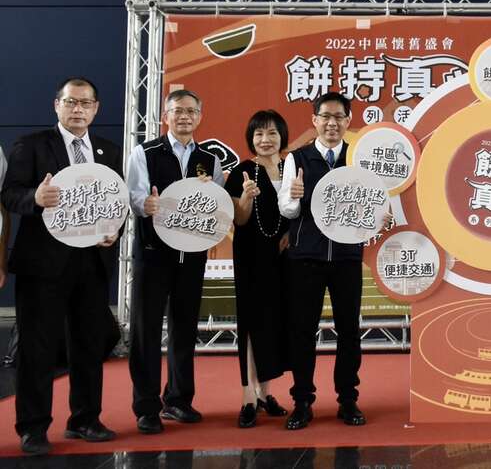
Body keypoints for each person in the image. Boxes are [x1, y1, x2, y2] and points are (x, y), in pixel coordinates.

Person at [1, 78, 121, 455]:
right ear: (57, 105)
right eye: (71, 102)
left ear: (96, 108)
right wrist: (35, 198)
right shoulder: (32, 145)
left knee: (88, 345)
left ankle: (85, 419)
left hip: (92, 262)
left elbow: (114, 204)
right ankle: (33, 427)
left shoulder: (108, 150)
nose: (78, 109)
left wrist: (113, 231)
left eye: (85, 103)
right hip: (43, 265)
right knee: (36, 348)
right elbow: (9, 195)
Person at [126, 89, 224, 434]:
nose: (184, 116)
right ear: (165, 116)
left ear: (200, 116)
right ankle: (146, 407)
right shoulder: (146, 152)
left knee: (184, 329)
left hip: (191, 257)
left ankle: (179, 400)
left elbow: (216, 206)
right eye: (178, 111)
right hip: (153, 254)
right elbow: (134, 195)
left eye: (191, 111)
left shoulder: (209, 159)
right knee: (146, 331)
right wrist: (146, 205)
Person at [278, 92, 367, 430]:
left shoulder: (358, 156)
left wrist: (381, 216)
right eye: (325, 117)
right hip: (306, 257)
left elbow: (371, 201)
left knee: (349, 331)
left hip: (346, 256)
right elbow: (287, 210)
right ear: (314, 120)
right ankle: (302, 402)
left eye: (339, 117)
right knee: (303, 331)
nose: (332, 123)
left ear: (348, 121)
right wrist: (294, 197)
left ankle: (348, 400)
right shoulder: (297, 158)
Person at [225, 110, 291, 428]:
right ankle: (248, 395)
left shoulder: (293, 168)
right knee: (252, 323)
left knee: (275, 323)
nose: (265, 140)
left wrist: (292, 235)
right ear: (251, 139)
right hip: (252, 256)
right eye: (259, 134)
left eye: (271, 133)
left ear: (282, 136)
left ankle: (266, 393)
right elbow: (238, 220)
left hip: (287, 258)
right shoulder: (242, 171)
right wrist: (246, 199)